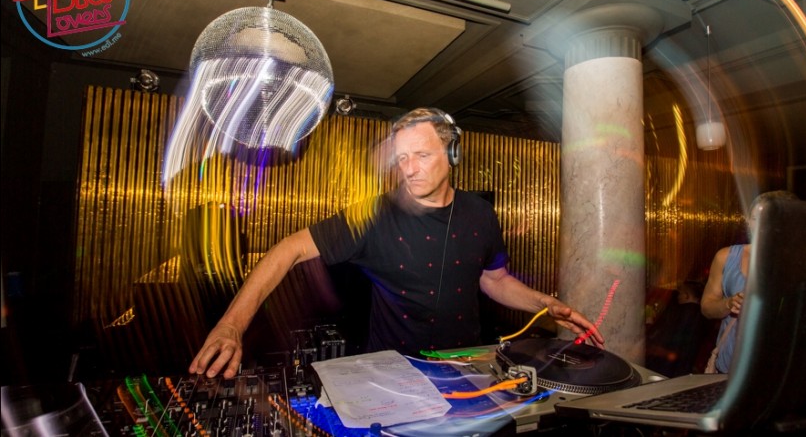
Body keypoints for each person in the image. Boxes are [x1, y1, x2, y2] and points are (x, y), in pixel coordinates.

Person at [189, 107, 604, 378]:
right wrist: (231, 325)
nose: (408, 169)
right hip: (394, 372)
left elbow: (494, 280)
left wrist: (546, 305)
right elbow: (290, 248)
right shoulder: (373, 216)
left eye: (421, 155)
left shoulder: (480, 213)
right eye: (402, 158)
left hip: (469, 369)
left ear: (452, 153)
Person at [700, 190, 798, 374]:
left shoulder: (804, 261)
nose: (759, 225)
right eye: (754, 218)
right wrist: (729, 303)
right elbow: (706, 307)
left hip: (782, 371)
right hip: (730, 369)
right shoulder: (726, 256)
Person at [645, 280, 711, 377]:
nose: (677, 296)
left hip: (668, 366)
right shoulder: (704, 316)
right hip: (686, 366)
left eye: (680, 293)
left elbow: (667, 338)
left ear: (686, 295)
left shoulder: (682, 313)